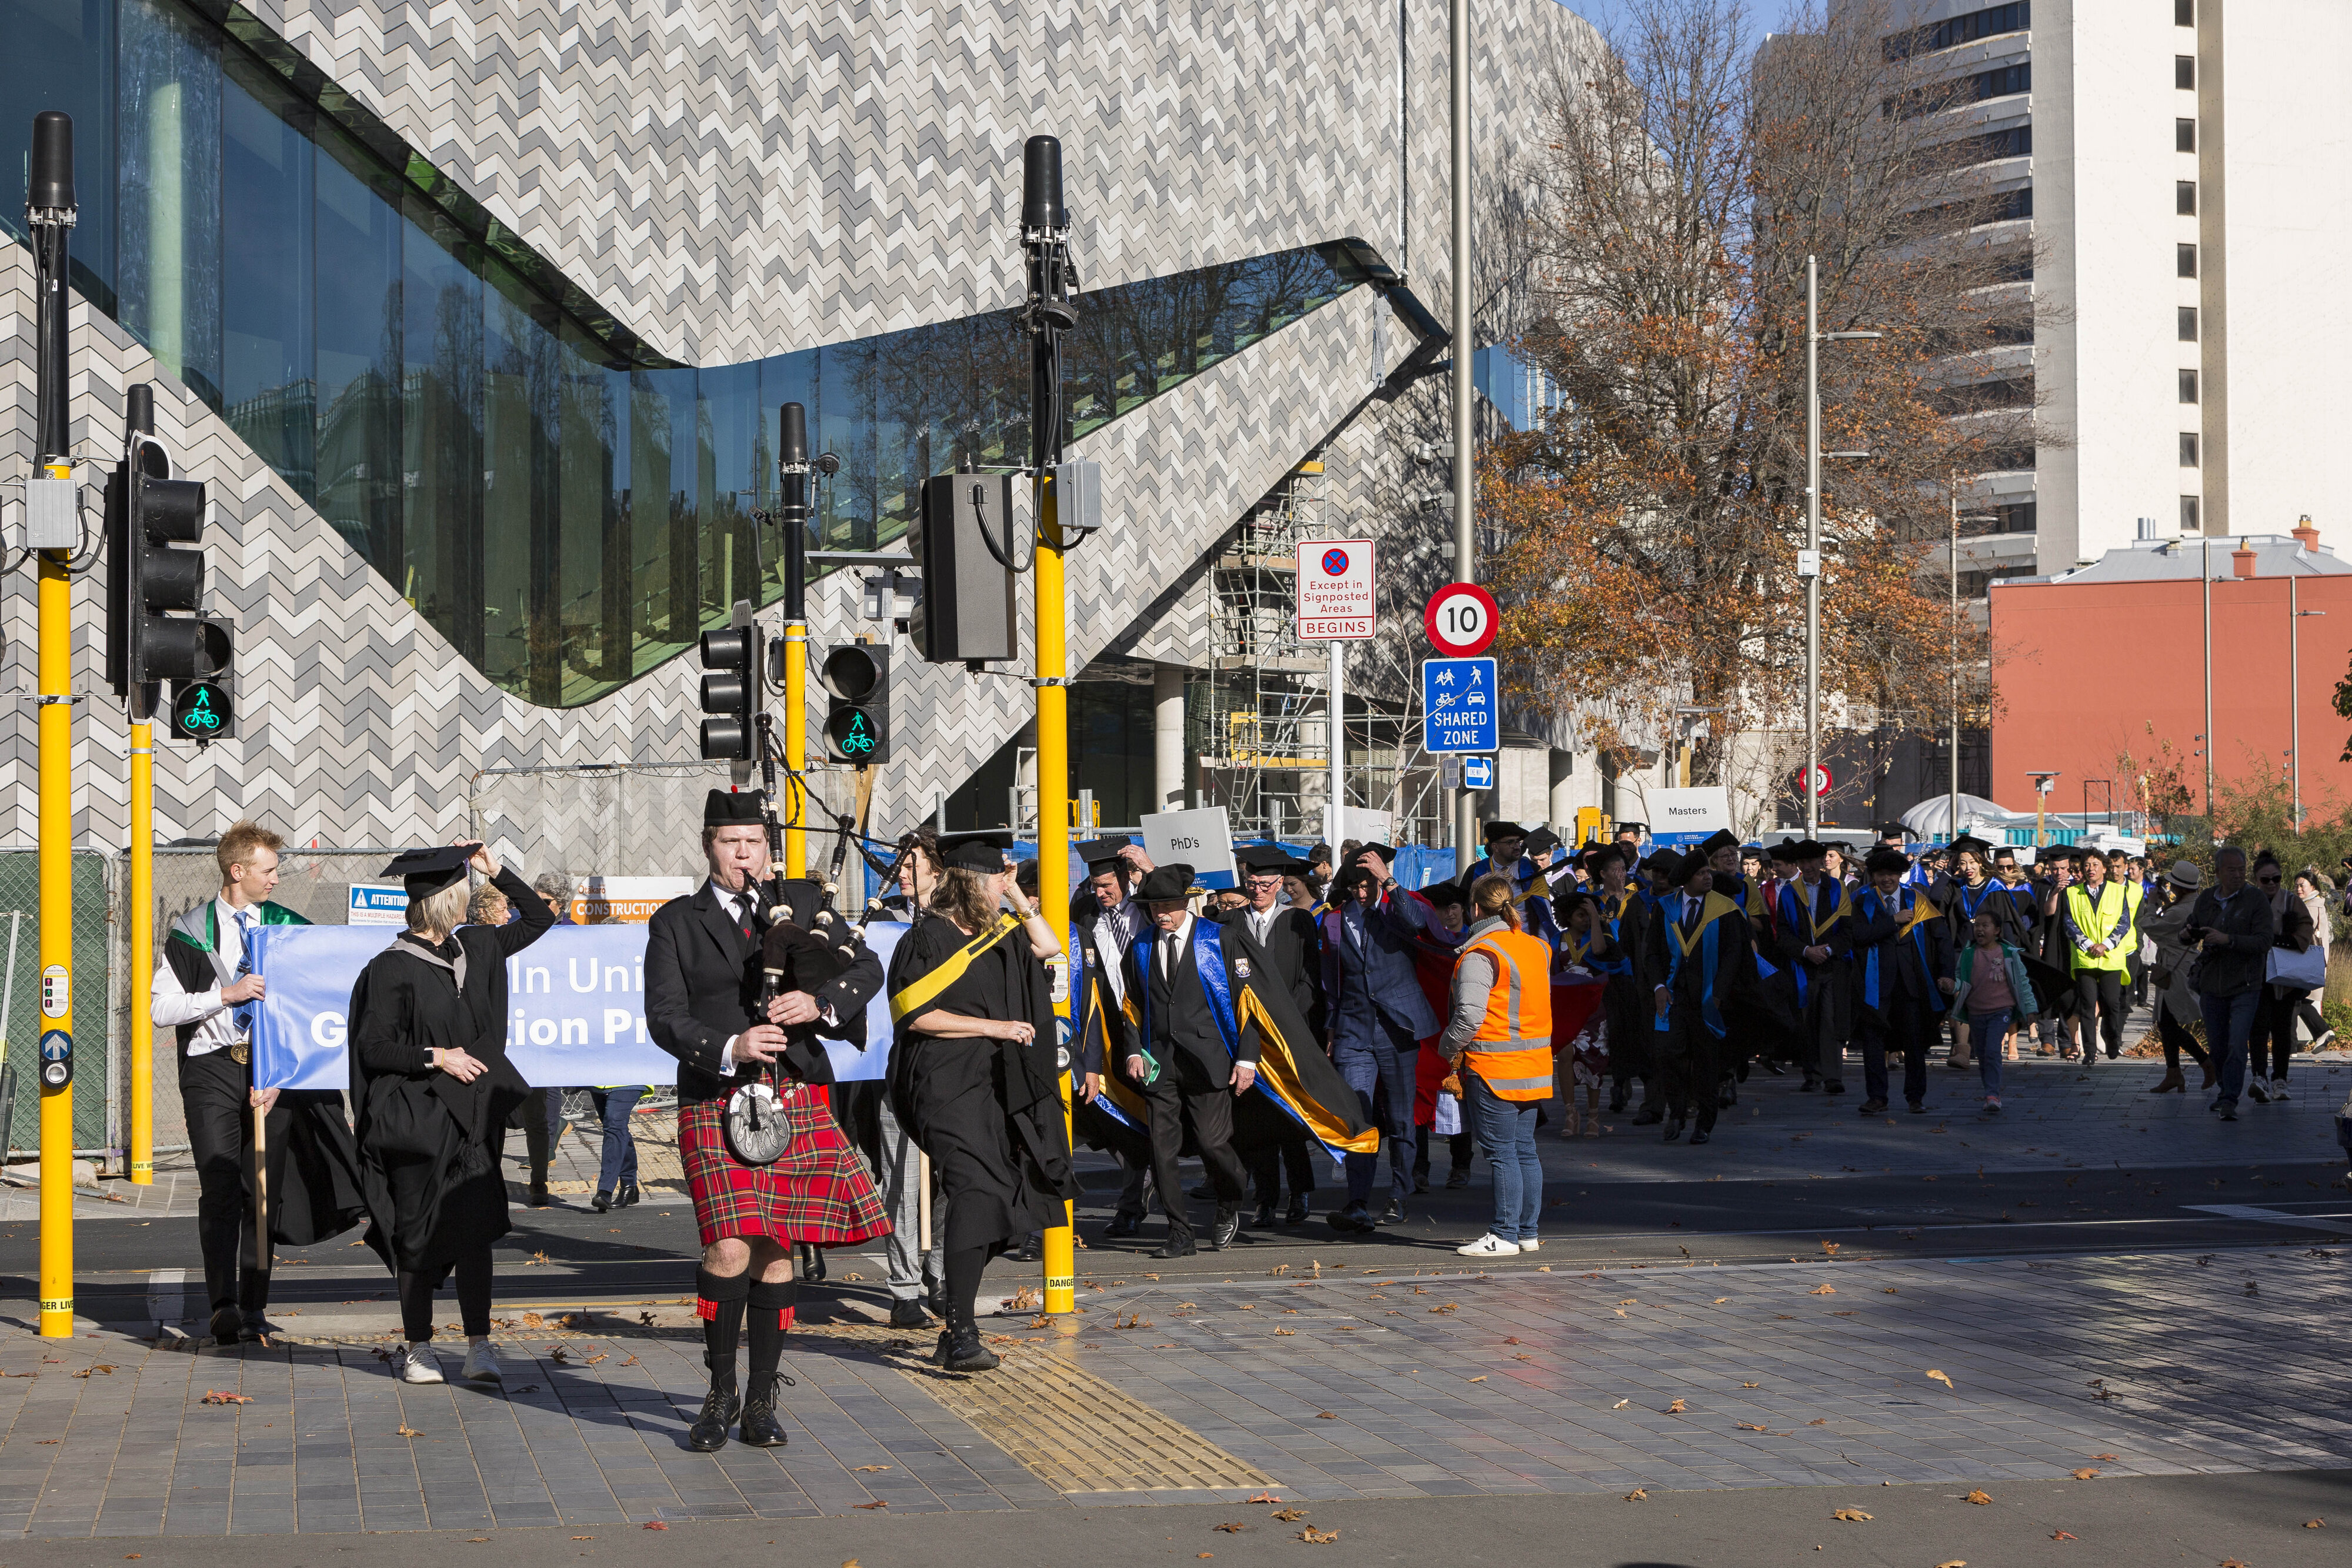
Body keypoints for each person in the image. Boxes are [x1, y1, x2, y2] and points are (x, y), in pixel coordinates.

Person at [645, 790, 892, 1444]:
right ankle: (720, 1392)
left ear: (767, 847)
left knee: (776, 1248)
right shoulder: (676, 922)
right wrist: (732, 1045)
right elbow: (664, 1016)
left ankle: (761, 1399)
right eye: (731, 842)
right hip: (715, 1094)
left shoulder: (801, 903)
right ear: (709, 845)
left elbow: (866, 966)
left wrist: (820, 1002)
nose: (744, 854)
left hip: (794, 1091)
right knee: (728, 1245)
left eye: (754, 841)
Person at [348, 840, 552, 1386]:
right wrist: (437, 1057)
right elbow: (373, 1047)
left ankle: (479, 1345)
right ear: (444, 900)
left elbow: (538, 919)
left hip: (473, 1120)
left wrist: (496, 870)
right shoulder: (391, 968)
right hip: (418, 1120)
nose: (470, 895)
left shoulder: (478, 947)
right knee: (417, 1233)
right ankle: (419, 1347)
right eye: (464, 888)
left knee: (475, 1234)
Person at [154, 820, 366, 1345]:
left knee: (262, 1192)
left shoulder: (287, 927)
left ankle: (253, 1307)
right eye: (268, 870)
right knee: (220, 1186)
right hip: (211, 1070)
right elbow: (161, 1009)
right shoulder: (190, 930)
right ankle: (222, 1305)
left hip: (270, 1073)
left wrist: (283, 1074)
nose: (275, 879)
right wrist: (224, 996)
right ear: (237, 871)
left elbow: (313, 1000)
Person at [887, 830, 1078, 1369]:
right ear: (972, 882)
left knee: (1005, 1196)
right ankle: (961, 1330)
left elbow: (1049, 947)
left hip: (997, 1083)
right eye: (998, 878)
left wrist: (1017, 896)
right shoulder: (927, 937)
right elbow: (915, 1014)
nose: (1004, 886)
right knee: (975, 1189)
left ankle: (954, 1322)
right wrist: (995, 1027)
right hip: (943, 1083)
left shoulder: (1001, 935)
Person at [1319, 850, 1442, 1230]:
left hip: (1398, 1028)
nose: (1361, 893)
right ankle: (1357, 1201)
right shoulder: (1334, 921)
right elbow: (1331, 981)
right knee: (1358, 1117)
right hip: (1353, 1030)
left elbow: (1417, 922)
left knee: (1401, 1119)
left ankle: (1398, 1196)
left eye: (1367, 885)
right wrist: (1331, 1030)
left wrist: (1388, 881)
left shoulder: (1393, 910)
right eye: (1355, 887)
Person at [1443, 876, 1554, 1255]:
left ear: (1475, 909)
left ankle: (1504, 1234)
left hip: (1494, 1067)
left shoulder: (1481, 953)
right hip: (1533, 1065)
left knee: (1502, 1152)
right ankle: (1526, 1233)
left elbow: (1469, 1016)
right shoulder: (1537, 947)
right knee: (1524, 1150)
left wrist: (1446, 1048)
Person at [1222, 845, 1324, 1227]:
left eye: (1265, 884)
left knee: (1290, 1117)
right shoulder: (1232, 923)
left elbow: (1309, 980)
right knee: (1255, 1122)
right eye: (1252, 883)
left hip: (1288, 1034)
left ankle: (1300, 1192)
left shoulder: (1297, 921)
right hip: (1244, 1035)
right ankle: (1265, 1198)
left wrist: (1286, 1021)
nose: (1258, 890)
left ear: (1280, 884)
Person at [1075, 839, 1159, 1242]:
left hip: (1154, 1024)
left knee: (1157, 1114)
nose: (1101, 892)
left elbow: (1178, 907)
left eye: (1107, 885)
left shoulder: (1148, 908)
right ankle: (1132, 1197)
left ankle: (1156, 1187)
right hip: (1108, 1027)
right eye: (1095, 885)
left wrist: (1150, 870)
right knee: (1112, 1115)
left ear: (1126, 879)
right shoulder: (1086, 913)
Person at [1644, 850, 1753, 1145]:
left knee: (1706, 1062)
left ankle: (1704, 1123)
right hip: (1673, 996)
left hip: (1710, 998)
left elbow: (1733, 956)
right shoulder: (1665, 908)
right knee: (1668, 1055)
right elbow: (1652, 953)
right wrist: (1658, 987)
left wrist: (1718, 995)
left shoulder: (1725, 909)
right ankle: (1677, 1112)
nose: (1708, 877)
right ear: (1686, 880)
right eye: (1701, 874)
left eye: (1708, 872)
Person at [1848, 846, 1954, 1115]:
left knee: (1914, 1042)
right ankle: (1877, 1098)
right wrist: (1893, 921)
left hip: (1911, 983)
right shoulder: (1863, 901)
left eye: (1892, 874)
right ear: (1873, 876)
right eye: (1881, 874)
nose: (1887, 879)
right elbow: (1859, 936)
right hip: (1875, 983)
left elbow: (1942, 939)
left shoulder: (1917, 900)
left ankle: (1915, 1097)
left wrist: (1947, 973)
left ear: (1900, 875)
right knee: (1873, 1042)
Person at [2183, 845, 2275, 1120]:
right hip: (2212, 985)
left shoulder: (2255, 899)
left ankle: (2229, 1099)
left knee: (2237, 1043)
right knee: (2218, 1045)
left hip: (2246, 984)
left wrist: (2229, 940)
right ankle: (2225, 1089)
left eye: (2241, 870)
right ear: (2218, 872)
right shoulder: (2206, 899)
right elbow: (2192, 927)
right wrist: (2187, 935)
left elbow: (2264, 941)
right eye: (2231, 870)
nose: (2237, 875)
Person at [513, 872, 576, 1207]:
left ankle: (540, 1175)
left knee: (543, 1098)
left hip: (551, 1025)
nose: (536, 906)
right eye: (532, 899)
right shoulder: (518, 926)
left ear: (560, 905)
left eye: (545, 902)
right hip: (516, 1025)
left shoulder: (574, 935)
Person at [1773, 840, 1854, 1093]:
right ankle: (1811, 1074)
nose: (1807, 866)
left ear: (1821, 861)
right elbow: (1783, 934)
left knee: (1830, 1020)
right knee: (1807, 1021)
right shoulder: (1790, 892)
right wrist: (1806, 951)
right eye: (1802, 862)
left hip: (1832, 966)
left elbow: (1848, 931)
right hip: (1803, 967)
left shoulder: (1839, 889)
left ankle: (1833, 1076)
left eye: (1811, 861)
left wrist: (1828, 950)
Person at [2245, 853, 2318, 1104]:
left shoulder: (2290, 900)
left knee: (2283, 1028)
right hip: (2256, 975)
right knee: (2258, 1027)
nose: (2271, 884)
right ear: (2256, 879)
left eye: (2276, 879)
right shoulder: (2248, 900)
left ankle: (2280, 1079)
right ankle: (2259, 1077)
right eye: (2265, 880)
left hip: (2286, 976)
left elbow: (2306, 928)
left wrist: (2287, 939)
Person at [1951, 907, 2039, 1115]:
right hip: (1976, 1012)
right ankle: (1989, 1091)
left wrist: (2030, 1009)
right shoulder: (1969, 953)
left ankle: (1993, 1095)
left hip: (2001, 1011)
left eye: (1985, 926)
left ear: (1997, 930)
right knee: (1982, 1054)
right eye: (1977, 926)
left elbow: (2022, 983)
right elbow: (1960, 980)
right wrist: (1951, 985)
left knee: (1992, 1050)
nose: (1979, 930)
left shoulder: (2009, 954)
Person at [1585, 845, 1652, 1114]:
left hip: (1637, 973)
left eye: (1624, 869)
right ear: (1602, 874)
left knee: (1640, 1031)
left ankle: (1648, 1089)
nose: (1622, 875)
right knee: (1614, 1030)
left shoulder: (1639, 896)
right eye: (1616, 870)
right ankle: (1619, 1084)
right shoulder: (1593, 902)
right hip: (1607, 975)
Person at [2139, 860, 2214, 1095]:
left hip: (2176, 970)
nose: (2170, 887)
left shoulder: (2180, 910)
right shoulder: (2192, 904)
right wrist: (2166, 903)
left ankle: (2205, 1063)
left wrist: (2152, 904)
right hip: (2178, 967)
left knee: (2168, 1023)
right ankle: (2174, 1073)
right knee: (2167, 1022)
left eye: (2172, 885)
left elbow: (2151, 927)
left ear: (2180, 887)